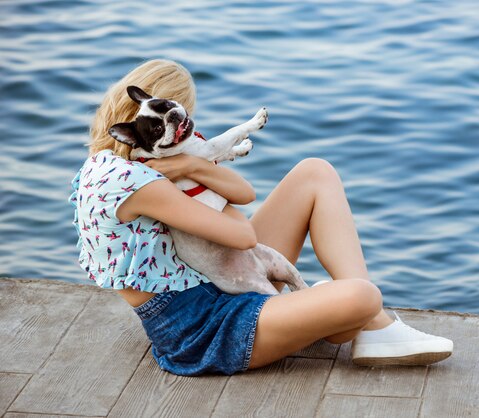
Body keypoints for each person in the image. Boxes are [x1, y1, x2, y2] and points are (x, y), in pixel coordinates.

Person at [69, 59, 453, 376]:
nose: (186, 129)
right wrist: (194, 166)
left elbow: (245, 194)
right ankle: (365, 318)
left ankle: (372, 327)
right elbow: (242, 234)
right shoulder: (142, 181)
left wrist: (190, 162)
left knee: (314, 172)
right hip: (203, 330)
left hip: (221, 274)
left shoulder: (111, 163)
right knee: (362, 295)